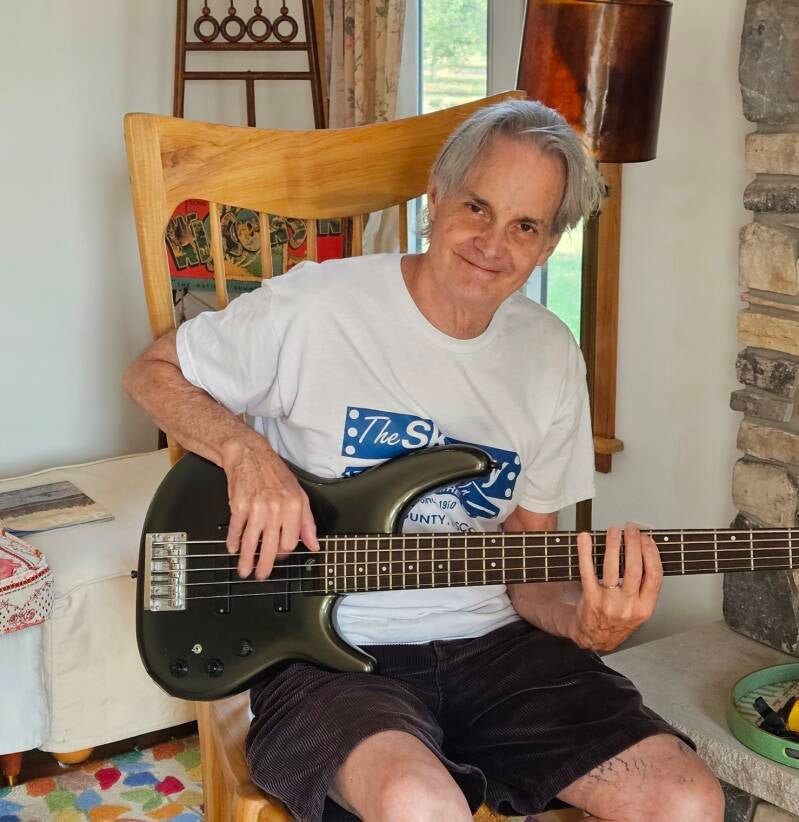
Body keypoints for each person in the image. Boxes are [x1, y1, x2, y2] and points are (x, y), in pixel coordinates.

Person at [124, 100, 724, 822]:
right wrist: (247, 454)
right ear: (435, 197)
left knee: (686, 800)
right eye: (477, 206)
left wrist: (585, 624)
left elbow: (529, 568)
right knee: (419, 805)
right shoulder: (318, 307)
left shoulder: (549, 356)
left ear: (547, 246)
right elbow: (151, 372)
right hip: (329, 657)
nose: (492, 244)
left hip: (497, 652)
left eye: (525, 226)